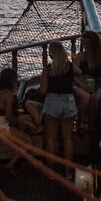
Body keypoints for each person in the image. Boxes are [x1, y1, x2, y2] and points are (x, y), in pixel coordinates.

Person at [0, 68, 42, 175]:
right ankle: (10, 164)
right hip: (0, 127)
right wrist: (19, 124)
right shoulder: (9, 95)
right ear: (12, 81)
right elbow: (9, 116)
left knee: (24, 124)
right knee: (30, 141)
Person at [40, 40, 79, 177]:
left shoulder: (48, 70)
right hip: (68, 102)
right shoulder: (70, 66)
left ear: (51, 54)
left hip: (52, 103)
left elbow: (43, 91)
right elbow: (79, 73)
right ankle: (68, 172)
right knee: (67, 139)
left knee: (51, 139)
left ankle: (50, 172)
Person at [71, 31, 101, 132]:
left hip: (97, 84)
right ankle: (81, 123)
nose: (85, 46)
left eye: (87, 44)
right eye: (83, 44)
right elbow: (73, 76)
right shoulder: (80, 56)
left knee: (96, 97)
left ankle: (91, 122)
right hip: (80, 83)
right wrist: (82, 84)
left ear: (93, 43)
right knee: (86, 96)